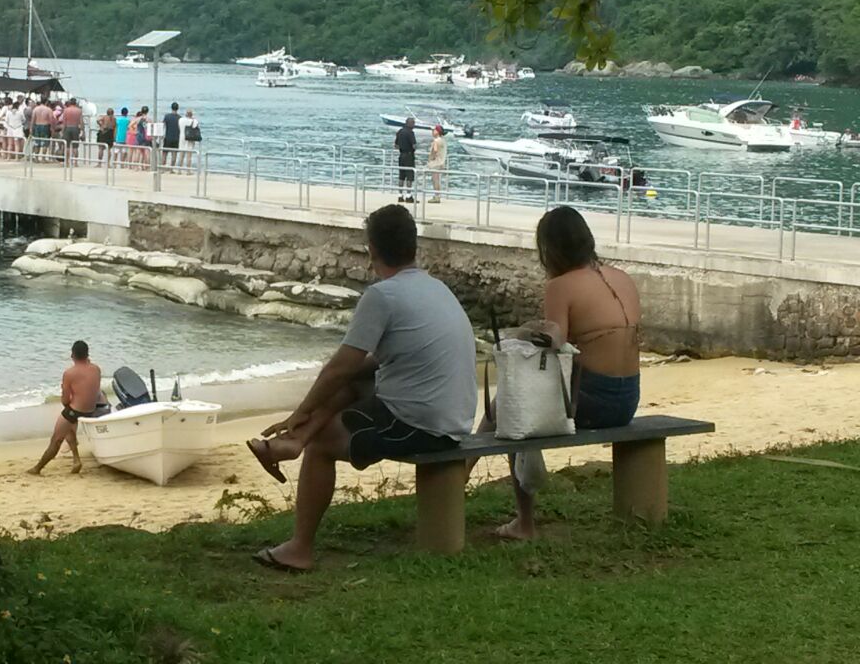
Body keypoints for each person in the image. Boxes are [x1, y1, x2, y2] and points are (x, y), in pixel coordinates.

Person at [245, 205, 478, 572]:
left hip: (421, 425)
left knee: (324, 444)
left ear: (371, 250)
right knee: (358, 382)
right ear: (413, 246)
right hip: (454, 414)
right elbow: (370, 364)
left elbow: (340, 369)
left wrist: (300, 412)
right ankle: (294, 441)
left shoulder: (382, 296)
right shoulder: (435, 288)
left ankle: (300, 547)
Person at [473, 206, 642, 540]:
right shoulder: (621, 277)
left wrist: (520, 333)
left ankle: (523, 522)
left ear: (550, 249)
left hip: (594, 403)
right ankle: (463, 471)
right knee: (502, 406)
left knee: (510, 407)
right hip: (628, 400)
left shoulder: (561, 286)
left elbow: (553, 341)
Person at [28, 341, 103, 476]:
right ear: (87, 354)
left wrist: (67, 399)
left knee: (56, 440)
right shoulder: (96, 369)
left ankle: (37, 468)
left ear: (72, 355)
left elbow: (65, 400)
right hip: (91, 410)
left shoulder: (69, 373)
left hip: (75, 411)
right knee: (69, 425)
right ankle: (76, 460)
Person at [395, 117, 418, 203]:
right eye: (413, 123)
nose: (414, 125)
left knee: (401, 175)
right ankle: (409, 196)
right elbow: (414, 145)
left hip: (401, 155)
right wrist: (413, 150)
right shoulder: (410, 133)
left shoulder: (400, 131)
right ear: (409, 123)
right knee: (409, 175)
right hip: (409, 155)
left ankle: (400, 195)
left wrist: (402, 147)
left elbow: (396, 145)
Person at [428, 125, 447, 203]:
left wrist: (431, 158)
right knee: (437, 180)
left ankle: (436, 196)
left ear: (438, 132)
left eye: (434, 130)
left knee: (435, 180)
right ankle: (437, 195)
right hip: (441, 162)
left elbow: (435, 151)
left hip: (436, 163)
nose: (432, 132)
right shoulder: (443, 140)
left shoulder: (436, 141)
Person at [62, 99, 84, 164]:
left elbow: (64, 121)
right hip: (75, 128)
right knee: (75, 146)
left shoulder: (66, 110)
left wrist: (63, 131)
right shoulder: (79, 111)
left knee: (67, 146)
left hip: (67, 127)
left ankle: (67, 161)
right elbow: (81, 122)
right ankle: (75, 162)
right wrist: (82, 131)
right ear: (76, 103)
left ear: (70, 103)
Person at [162, 102, 182, 171]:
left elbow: (163, 125)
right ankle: (171, 169)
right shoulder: (180, 118)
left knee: (164, 153)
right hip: (176, 138)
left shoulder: (167, 116)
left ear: (171, 108)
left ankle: (162, 168)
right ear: (177, 108)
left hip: (168, 137)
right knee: (174, 154)